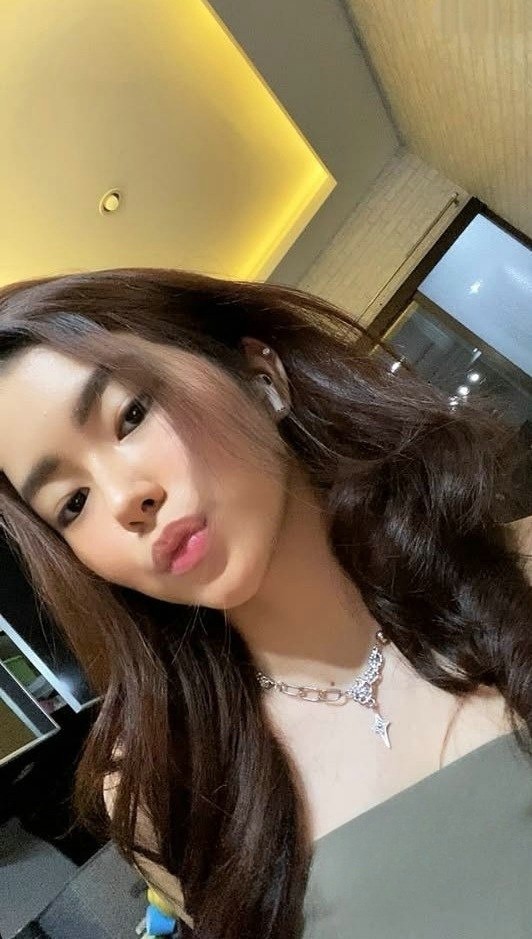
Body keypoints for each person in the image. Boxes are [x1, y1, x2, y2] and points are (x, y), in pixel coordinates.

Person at [0, 267, 530, 939]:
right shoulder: (168, 789)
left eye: (130, 415)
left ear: (260, 375)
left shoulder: (517, 571)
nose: (125, 499)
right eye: (72, 503)